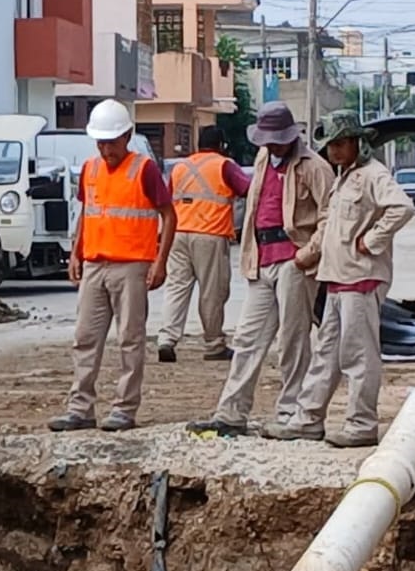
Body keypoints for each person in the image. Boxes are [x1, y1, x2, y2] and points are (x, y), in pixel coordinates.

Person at [266, 114, 413, 448]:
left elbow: (401, 208)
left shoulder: (373, 175)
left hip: (360, 278)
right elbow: (333, 225)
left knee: (358, 355)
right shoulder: (343, 178)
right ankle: (308, 418)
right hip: (336, 278)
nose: (333, 150)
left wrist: (372, 241)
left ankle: (361, 424)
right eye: (331, 144)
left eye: (340, 143)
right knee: (326, 353)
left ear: (357, 143)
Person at [188, 101, 334, 436]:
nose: (270, 145)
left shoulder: (314, 166)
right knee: (248, 338)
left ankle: (291, 413)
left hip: (294, 259)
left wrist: (309, 253)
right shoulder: (264, 158)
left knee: (293, 341)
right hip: (262, 258)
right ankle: (231, 413)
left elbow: (330, 214)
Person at [49, 99, 176, 433]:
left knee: (130, 339)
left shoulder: (144, 169)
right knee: (85, 338)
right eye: (101, 142)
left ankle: (124, 408)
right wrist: (76, 253)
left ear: (128, 136)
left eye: (111, 141)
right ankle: (80, 408)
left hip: (132, 266)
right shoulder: (90, 170)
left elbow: (168, 214)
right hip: (95, 264)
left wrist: (159, 261)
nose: (106, 149)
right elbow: (86, 215)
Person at [157, 125, 250, 362]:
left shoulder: (180, 167)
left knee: (176, 288)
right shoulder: (224, 165)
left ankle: (167, 340)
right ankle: (214, 344)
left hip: (178, 233)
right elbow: (248, 189)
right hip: (210, 235)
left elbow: (167, 201)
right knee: (212, 292)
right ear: (221, 146)